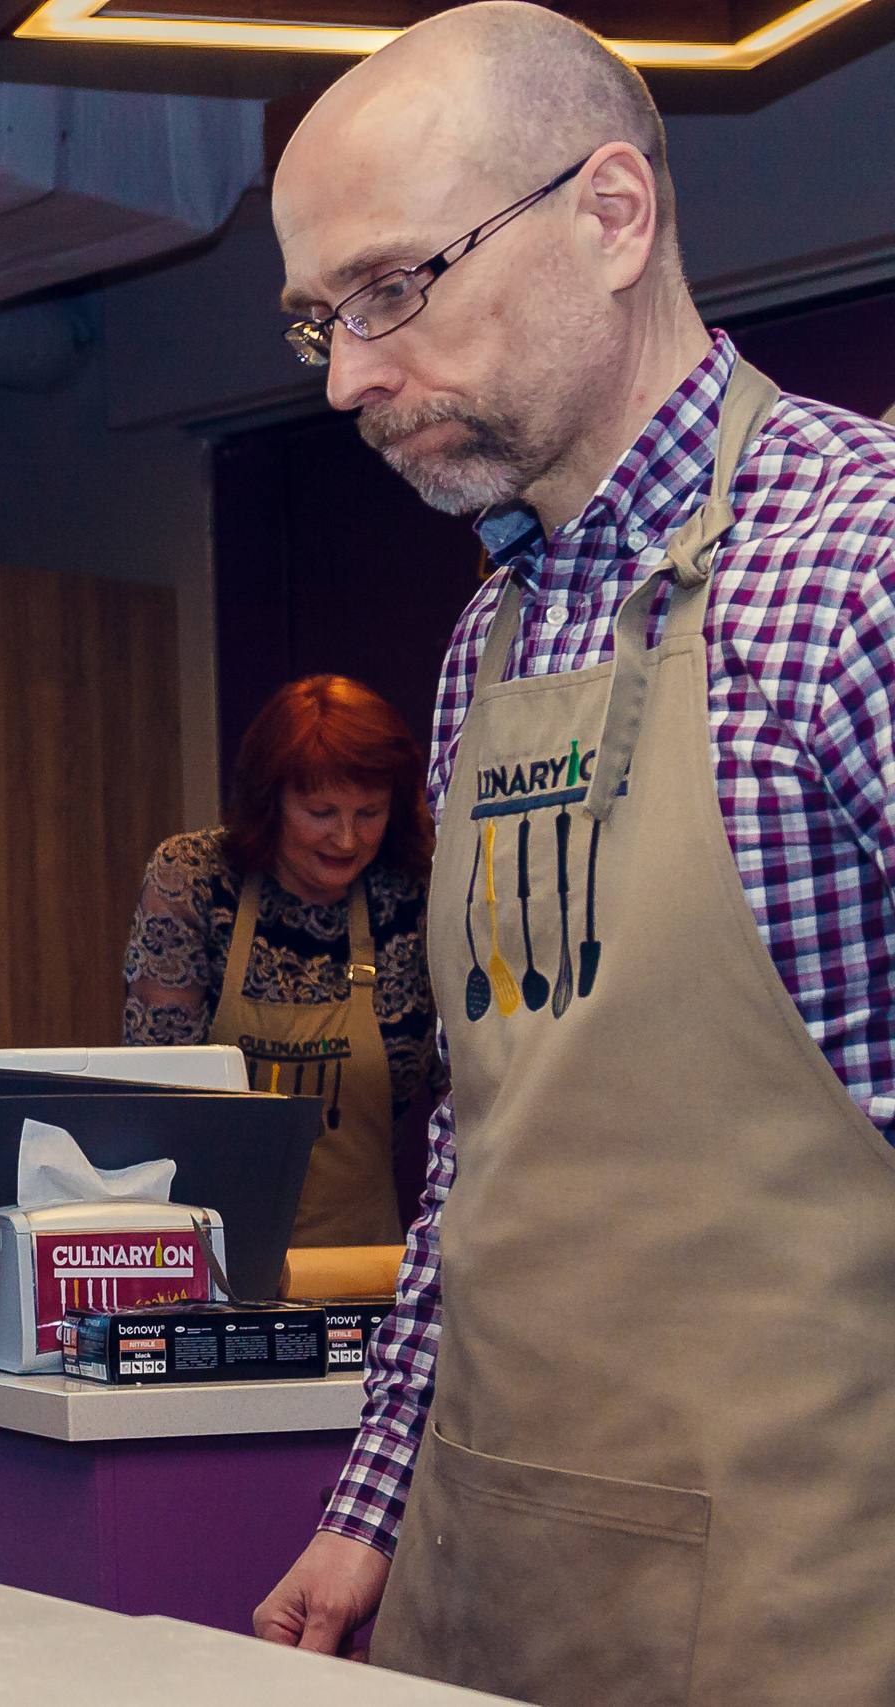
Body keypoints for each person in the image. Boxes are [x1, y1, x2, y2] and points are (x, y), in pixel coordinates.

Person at [256, 9, 895, 1700]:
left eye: (393, 288)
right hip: (487, 1593)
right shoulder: (490, 638)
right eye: (321, 318)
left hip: (801, 1610)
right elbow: (489, 1135)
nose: (345, 375)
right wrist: (376, 1504)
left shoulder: (860, 568)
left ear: (612, 215)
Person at [124, 675, 440, 1246]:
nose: (347, 839)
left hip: (363, 1265)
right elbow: (157, 1093)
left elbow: (466, 1094)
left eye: (369, 812)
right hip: (209, 1265)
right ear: (271, 801)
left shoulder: (414, 895)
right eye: (322, 811)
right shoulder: (193, 879)